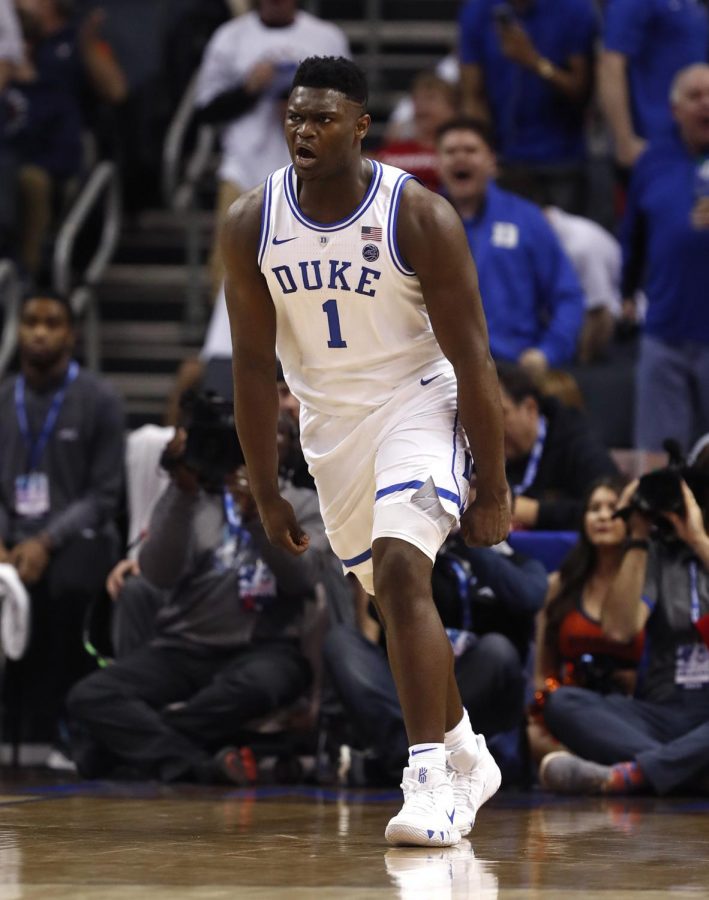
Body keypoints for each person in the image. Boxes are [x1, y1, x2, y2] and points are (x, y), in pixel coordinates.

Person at [221, 56, 511, 847]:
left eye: (320, 119)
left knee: (398, 568)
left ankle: (426, 784)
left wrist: (493, 484)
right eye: (293, 117)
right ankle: (464, 753)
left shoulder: (417, 217)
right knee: (389, 601)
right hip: (330, 427)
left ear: (359, 127)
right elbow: (251, 367)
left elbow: (473, 360)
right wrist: (267, 487)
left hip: (420, 401)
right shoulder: (252, 220)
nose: (303, 131)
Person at [67, 412, 335, 783]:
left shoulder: (305, 505)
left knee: (260, 684)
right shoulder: (192, 497)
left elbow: (302, 579)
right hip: (184, 647)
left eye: (278, 431)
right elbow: (158, 574)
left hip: (265, 648)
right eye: (251, 428)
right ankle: (200, 765)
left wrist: (260, 516)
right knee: (90, 695)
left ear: (293, 446)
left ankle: (125, 747)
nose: (262, 438)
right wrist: (182, 488)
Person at [539, 458, 709, 796]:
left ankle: (638, 774)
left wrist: (699, 540)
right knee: (562, 703)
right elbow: (619, 629)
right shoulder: (656, 555)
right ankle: (687, 773)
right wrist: (638, 535)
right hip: (660, 714)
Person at [0, 290, 124, 748]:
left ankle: (63, 725)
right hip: (11, 537)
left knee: (69, 577)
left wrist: (46, 541)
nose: (38, 331)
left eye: (51, 323)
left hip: (75, 538)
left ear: (70, 334)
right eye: (31, 320)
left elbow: (104, 495)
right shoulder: (3, 397)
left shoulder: (100, 399)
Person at [324, 538, 547, 786]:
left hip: (475, 690)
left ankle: (404, 760)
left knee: (497, 650)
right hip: (408, 686)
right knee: (341, 643)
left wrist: (470, 544)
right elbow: (380, 612)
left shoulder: (519, 564)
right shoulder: (416, 555)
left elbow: (529, 598)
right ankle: (424, 761)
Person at [194, 0, 349, 295]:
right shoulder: (230, 37)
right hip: (244, 168)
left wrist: (305, 108)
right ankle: (230, 337)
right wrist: (248, 90)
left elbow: (350, 107)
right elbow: (205, 110)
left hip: (311, 174)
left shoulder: (326, 37)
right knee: (230, 265)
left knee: (312, 264)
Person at [436, 117, 585, 377]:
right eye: (450, 152)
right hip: (438, 374)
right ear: (438, 164)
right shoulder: (419, 222)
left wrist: (547, 352)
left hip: (514, 370)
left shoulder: (527, 219)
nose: (460, 158)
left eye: (470, 150)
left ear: (492, 162)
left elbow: (568, 296)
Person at [620, 64, 709, 453]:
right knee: (658, 461)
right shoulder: (652, 161)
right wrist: (625, 291)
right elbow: (632, 235)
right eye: (695, 96)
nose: (706, 104)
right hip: (665, 332)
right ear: (675, 110)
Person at [527, 477, 644, 764]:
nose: (603, 515)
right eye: (594, 508)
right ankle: (612, 767)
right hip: (574, 706)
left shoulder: (648, 579)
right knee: (536, 733)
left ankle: (598, 768)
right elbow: (543, 672)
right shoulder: (561, 584)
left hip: (633, 707)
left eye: (613, 507)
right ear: (583, 520)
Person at [458, 0, 597, 213]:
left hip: (561, 158)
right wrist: (483, 150)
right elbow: (472, 95)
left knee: (562, 240)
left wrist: (534, 62)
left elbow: (582, 91)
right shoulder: (478, 10)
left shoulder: (575, 9)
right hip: (503, 158)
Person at [497, 363, 619, 532]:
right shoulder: (472, 449)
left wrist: (536, 512)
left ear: (530, 408)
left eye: (500, 414)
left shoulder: (577, 444)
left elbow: (613, 507)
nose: (489, 428)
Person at [599, 0, 709, 170]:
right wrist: (624, 140)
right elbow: (611, 64)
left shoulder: (692, 5)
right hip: (652, 142)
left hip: (693, 141)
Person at [374, 70, 457, 193]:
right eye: (417, 99)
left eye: (431, 98)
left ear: (451, 109)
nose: (421, 105)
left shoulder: (462, 151)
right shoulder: (393, 150)